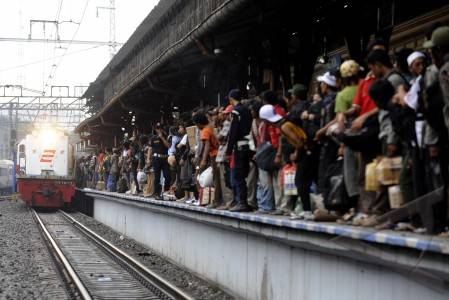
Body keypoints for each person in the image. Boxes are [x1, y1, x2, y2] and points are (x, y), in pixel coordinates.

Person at [226, 89, 253, 212]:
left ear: (231, 99)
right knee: (244, 174)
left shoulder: (236, 111)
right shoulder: (247, 110)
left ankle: (242, 202)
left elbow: (233, 132)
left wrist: (228, 149)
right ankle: (244, 201)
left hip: (239, 147)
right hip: (248, 144)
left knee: (238, 175)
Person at [193, 112, 222, 208]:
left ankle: (216, 201)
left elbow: (207, 147)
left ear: (198, 123)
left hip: (214, 156)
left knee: (216, 179)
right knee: (216, 178)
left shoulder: (205, 131)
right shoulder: (210, 127)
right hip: (218, 154)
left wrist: (203, 160)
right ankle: (215, 200)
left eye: (196, 124)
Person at [148, 124, 171, 199]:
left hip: (165, 158)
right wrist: (148, 158)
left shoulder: (167, 136)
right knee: (157, 177)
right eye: (157, 128)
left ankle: (166, 191)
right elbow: (150, 149)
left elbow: (168, 146)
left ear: (162, 129)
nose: (158, 130)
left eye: (160, 128)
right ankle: (157, 193)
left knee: (167, 176)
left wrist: (162, 138)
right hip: (156, 158)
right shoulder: (153, 138)